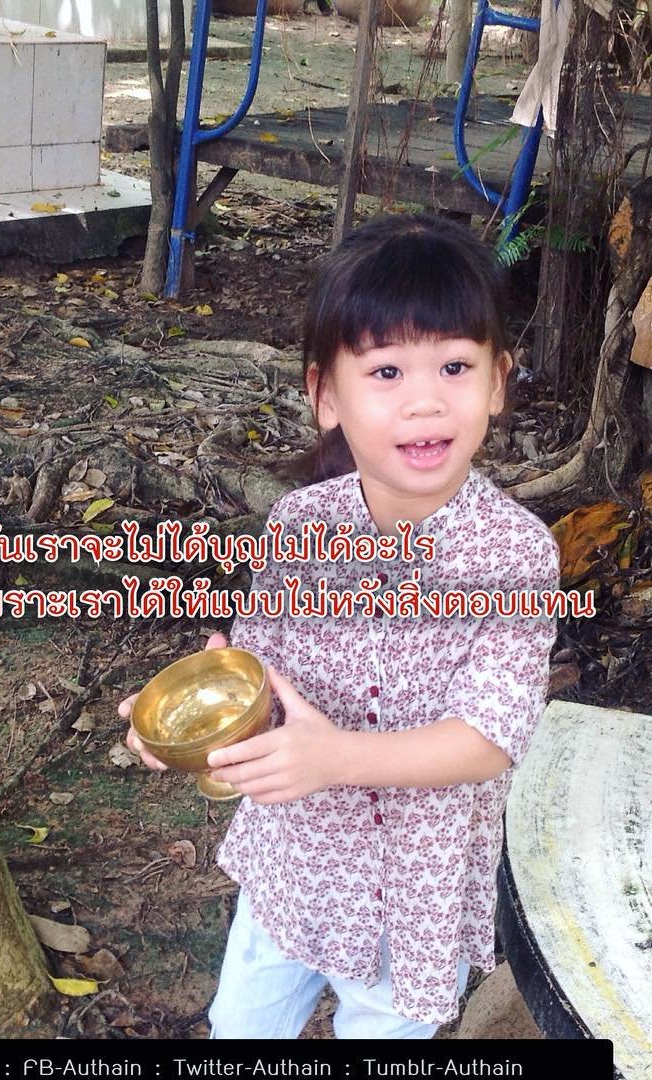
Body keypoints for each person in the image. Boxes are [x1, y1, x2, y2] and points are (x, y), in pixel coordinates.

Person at [119, 213, 562, 1039]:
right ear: (327, 395)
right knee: (241, 1029)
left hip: (415, 888)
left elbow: (488, 739)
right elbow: (263, 667)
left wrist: (336, 758)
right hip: (297, 862)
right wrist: (204, 715)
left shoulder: (515, 555)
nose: (426, 400)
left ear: (498, 382)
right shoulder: (300, 524)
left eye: (455, 366)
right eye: (386, 370)